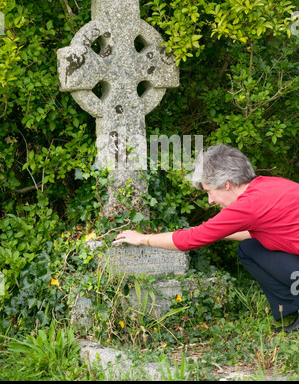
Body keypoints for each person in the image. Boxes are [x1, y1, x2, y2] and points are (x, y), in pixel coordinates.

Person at [113, 143, 299, 333]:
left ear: (226, 184)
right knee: (249, 248)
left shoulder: (247, 205)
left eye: (209, 192)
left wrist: (144, 239)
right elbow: (261, 232)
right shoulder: (266, 184)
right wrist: (214, 233)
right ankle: (293, 307)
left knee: (249, 249)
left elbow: (189, 240)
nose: (210, 201)